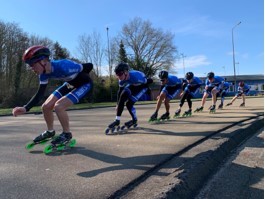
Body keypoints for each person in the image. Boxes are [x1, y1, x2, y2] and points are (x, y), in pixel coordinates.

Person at [12, 45, 93, 146]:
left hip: (84, 84)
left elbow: (89, 65)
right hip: (70, 83)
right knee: (45, 107)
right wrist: (26, 108)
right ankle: (50, 132)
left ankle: (67, 134)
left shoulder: (64, 66)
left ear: (43, 61)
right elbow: (40, 93)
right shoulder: (43, 74)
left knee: (59, 106)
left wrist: (85, 81)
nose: (32, 68)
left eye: (32, 64)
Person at [106, 63, 153, 131]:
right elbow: (120, 92)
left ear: (126, 72)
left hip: (143, 86)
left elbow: (149, 81)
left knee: (129, 104)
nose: (118, 76)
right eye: (117, 74)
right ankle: (117, 120)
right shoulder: (121, 80)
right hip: (133, 84)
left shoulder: (136, 77)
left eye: (120, 74)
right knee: (122, 96)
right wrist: (117, 104)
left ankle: (134, 120)